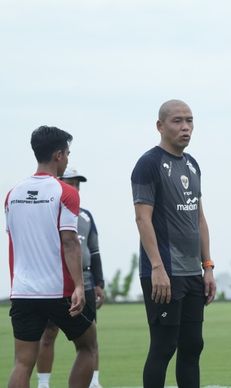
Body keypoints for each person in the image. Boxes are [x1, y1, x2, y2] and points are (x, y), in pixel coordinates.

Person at [131, 99, 216, 388]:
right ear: (160, 126)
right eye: (177, 121)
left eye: (189, 121)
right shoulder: (148, 164)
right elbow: (143, 219)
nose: (185, 127)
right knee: (164, 347)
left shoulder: (192, 164)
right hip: (164, 273)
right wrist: (157, 267)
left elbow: (199, 218)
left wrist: (208, 267)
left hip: (192, 273)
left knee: (193, 347)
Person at [4, 125, 97, 388]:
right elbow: (70, 242)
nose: (68, 158)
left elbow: (15, 240)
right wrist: (79, 285)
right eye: (67, 153)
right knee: (88, 346)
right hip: (59, 291)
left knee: (22, 363)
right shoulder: (67, 193)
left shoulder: (13, 194)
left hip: (22, 291)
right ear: (58, 155)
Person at [35, 168, 105, 388]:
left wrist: (99, 283)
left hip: (85, 280)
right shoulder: (48, 213)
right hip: (55, 282)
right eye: (70, 183)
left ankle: (93, 381)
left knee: (90, 335)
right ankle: (43, 383)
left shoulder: (86, 216)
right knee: (48, 334)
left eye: (77, 184)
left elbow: (93, 251)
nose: (74, 188)